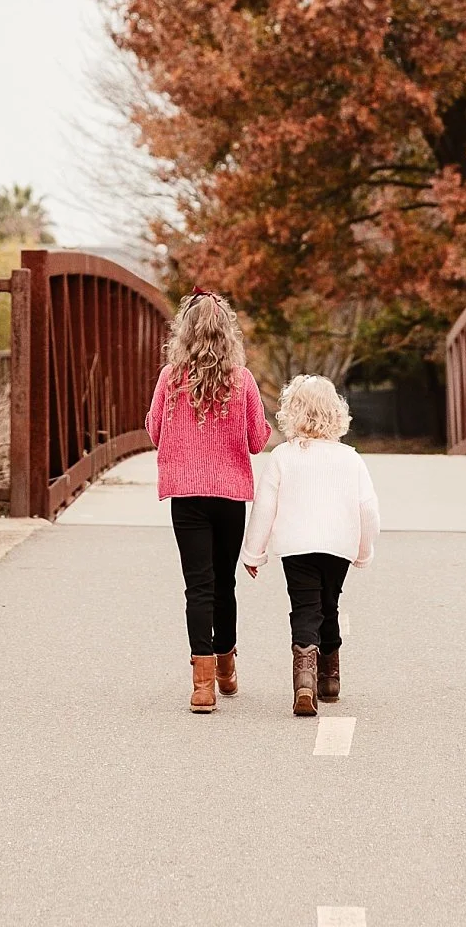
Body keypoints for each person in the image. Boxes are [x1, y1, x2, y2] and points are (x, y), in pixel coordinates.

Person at [145, 290, 273, 713]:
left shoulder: (170, 378)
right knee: (224, 583)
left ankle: (202, 687)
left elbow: (153, 431)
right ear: (227, 333)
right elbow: (258, 441)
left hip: (186, 495)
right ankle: (225, 667)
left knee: (197, 585)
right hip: (229, 495)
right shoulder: (242, 380)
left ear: (184, 331)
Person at [240, 375, 380, 716]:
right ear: (336, 413)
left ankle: (304, 679)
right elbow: (368, 509)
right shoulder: (350, 458)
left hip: (296, 546)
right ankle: (329, 678)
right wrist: (364, 551)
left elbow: (265, 507)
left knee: (306, 606)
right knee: (329, 604)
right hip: (338, 545)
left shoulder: (283, 457)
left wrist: (253, 552)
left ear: (292, 412)